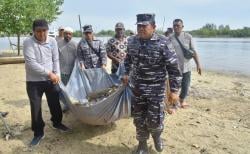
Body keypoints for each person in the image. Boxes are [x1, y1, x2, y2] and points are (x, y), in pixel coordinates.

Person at [122, 14, 182, 153]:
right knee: (139, 118)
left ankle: (157, 137)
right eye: (139, 26)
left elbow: (173, 68)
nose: (141, 28)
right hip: (137, 88)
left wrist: (174, 91)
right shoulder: (132, 41)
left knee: (155, 119)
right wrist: (125, 73)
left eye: (144, 26)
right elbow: (128, 60)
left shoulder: (163, 42)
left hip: (156, 89)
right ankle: (142, 144)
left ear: (153, 27)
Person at [23, 19, 70, 147]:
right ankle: (38, 133)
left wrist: (57, 74)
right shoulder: (28, 42)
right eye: (38, 31)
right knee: (36, 107)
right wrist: (50, 73)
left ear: (47, 31)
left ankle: (57, 123)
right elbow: (31, 64)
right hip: (33, 81)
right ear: (33, 31)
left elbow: (56, 59)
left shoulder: (52, 41)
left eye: (44, 31)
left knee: (55, 103)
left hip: (51, 80)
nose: (42, 34)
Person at [170, 19, 202, 108]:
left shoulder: (188, 37)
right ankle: (174, 101)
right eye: (174, 25)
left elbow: (194, 52)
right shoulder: (170, 38)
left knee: (186, 85)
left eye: (178, 26)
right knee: (174, 86)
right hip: (174, 67)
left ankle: (182, 100)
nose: (176, 27)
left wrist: (198, 65)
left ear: (182, 27)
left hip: (187, 66)